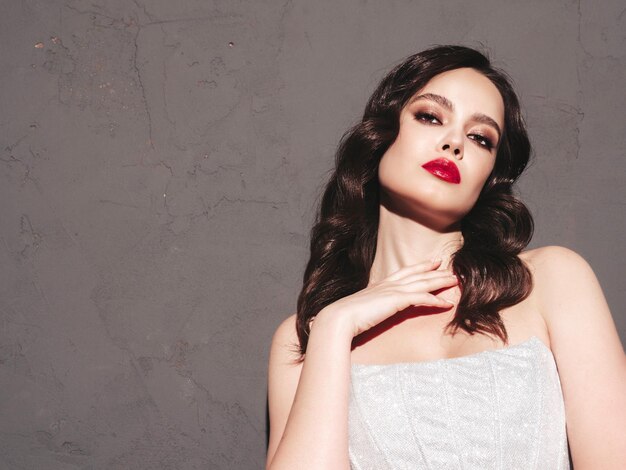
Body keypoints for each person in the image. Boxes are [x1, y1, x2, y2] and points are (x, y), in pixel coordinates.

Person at [265, 45, 626, 469]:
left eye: (480, 138)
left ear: (489, 176)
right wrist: (334, 328)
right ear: (381, 136)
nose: (454, 141)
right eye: (430, 116)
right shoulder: (306, 336)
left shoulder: (551, 280)